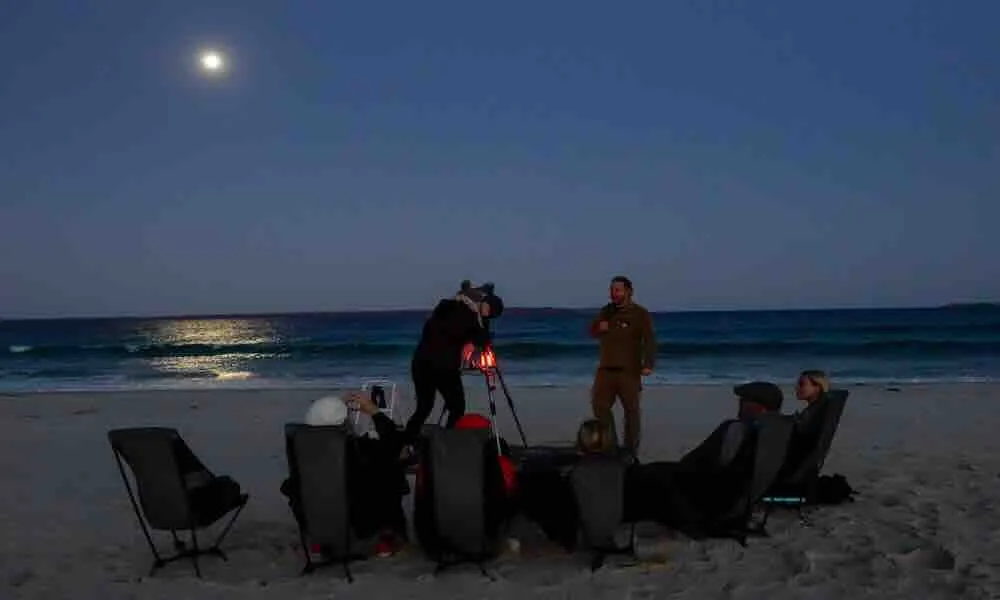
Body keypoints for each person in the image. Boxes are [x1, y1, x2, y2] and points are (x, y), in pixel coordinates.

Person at [281, 392, 408, 558]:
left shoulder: (302, 450)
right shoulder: (359, 450)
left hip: (317, 524)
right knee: (392, 472)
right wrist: (374, 411)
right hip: (356, 525)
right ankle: (386, 539)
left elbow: (289, 488)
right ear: (344, 423)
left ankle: (316, 542)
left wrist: (336, 406)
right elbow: (395, 443)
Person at [403, 281, 504, 444]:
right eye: (490, 312)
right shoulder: (469, 315)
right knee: (457, 407)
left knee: (424, 408)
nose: (488, 315)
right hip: (443, 367)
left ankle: (406, 443)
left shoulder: (448, 307)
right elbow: (481, 337)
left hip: (421, 362)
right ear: (486, 305)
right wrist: (481, 326)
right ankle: (447, 443)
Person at [589, 275, 657, 456]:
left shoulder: (640, 313)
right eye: (612, 290)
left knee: (631, 412)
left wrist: (648, 363)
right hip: (605, 369)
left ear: (629, 292)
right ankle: (610, 445)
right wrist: (598, 328)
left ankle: (629, 451)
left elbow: (649, 340)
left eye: (617, 290)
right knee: (599, 406)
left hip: (629, 370)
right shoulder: (606, 311)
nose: (614, 293)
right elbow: (592, 332)